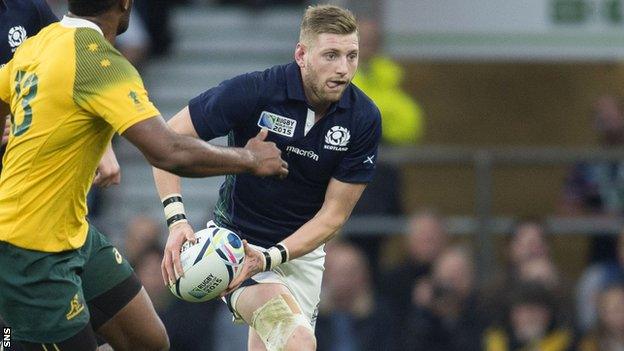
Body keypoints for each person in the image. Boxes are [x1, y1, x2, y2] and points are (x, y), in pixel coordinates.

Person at [0, 0, 287, 350]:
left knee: (148, 341)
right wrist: (250, 158)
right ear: (125, 4)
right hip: (28, 250)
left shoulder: (39, 43)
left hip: (72, 231)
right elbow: (168, 151)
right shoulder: (102, 64)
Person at [153, 4, 381, 350]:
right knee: (299, 343)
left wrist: (272, 256)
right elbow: (168, 140)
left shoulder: (363, 118)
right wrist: (176, 219)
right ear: (301, 54)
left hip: (300, 256)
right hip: (237, 250)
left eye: (352, 56)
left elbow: (334, 216)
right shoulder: (256, 91)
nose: (344, 69)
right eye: (331, 55)